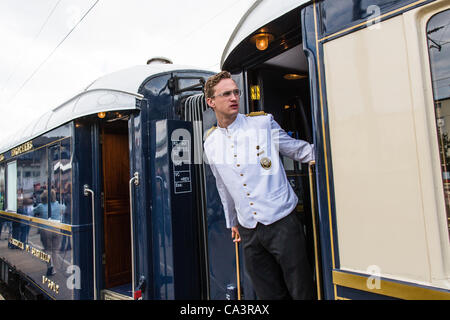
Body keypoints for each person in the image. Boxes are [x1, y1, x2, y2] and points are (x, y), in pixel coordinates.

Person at [203, 71, 314, 300]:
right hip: (249, 229)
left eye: (236, 92)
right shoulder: (211, 142)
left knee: (301, 289)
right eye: (226, 94)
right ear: (211, 101)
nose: (234, 97)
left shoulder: (262, 123)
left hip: (282, 221)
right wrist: (232, 221)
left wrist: (331, 153)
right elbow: (223, 185)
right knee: (268, 293)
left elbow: (296, 149)